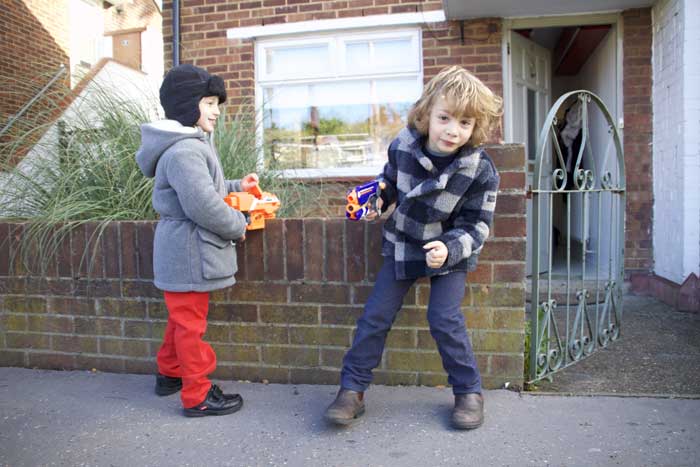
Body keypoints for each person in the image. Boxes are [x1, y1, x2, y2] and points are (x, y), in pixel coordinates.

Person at [324, 66, 502, 430]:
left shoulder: (479, 169)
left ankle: (469, 391)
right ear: (426, 114)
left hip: (448, 251)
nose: (453, 130)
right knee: (375, 315)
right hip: (403, 243)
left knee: (444, 318)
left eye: (465, 123)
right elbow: (389, 182)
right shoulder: (403, 146)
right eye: (445, 118)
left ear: (476, 127)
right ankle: (351, 390)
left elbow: (478, 224)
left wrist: (450, 249)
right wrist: (378, 200)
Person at [136, 64, 258, 417]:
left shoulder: (184, 146)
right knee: (191, 326)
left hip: (182, 250)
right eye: (208, 103)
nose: (216, 111)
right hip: (189, 251)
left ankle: (169, 373)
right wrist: (239, 223)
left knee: (181, 319)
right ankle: (197, 395)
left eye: (216, 103)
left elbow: (204, 188)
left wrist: (237, 186)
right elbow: (203, 204)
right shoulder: (185, 151)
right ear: (188, 105)